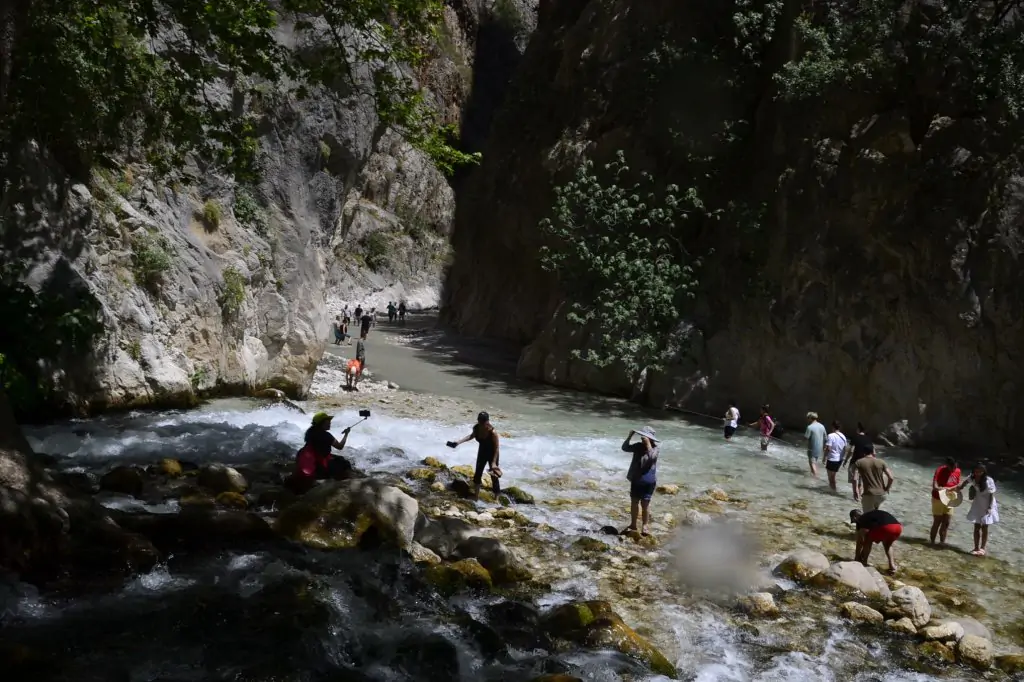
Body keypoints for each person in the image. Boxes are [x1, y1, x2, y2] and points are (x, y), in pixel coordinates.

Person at [291, 412, 352, 491]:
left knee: (337, 458)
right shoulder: (326, 435)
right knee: (345, 463)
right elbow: (340, 446)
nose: (330, 423)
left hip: (314, 460)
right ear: (321, 423)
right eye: (328, 421)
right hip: (321, 465)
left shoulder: (310, 432)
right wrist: (346, 434)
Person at [448, 412, 501, 496]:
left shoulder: (492, 432)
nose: (481, 423)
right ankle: (476, 496)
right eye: (480, 421)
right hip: (482, 452)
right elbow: (471, 436)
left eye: (483, 421)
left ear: (487, 421)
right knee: (477, 474)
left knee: (494, 476)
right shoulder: (476, 428)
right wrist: (458, 442)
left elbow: (496, 448)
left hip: (493, 454)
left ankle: (496, 498)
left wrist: (494, 462)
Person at [621, 426, 659, 536]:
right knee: (634, 502)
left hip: (648, 481)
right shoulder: (638, 446)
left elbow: (651, 458)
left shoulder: (655, 449)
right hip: (636, 479)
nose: (643, 438)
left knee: (645, 504)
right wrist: (630, 436)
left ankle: (645, 525)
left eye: (645, 437)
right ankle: (633, 524)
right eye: (642, 437)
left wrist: (648, 445)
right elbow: (625, 448)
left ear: (650, 438)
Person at [957, 464, 998, 556]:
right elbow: (965, 482)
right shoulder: (972, 477)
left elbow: (991, 495)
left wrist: (990, 507)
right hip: (978, 502)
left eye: (980, 471)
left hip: (988, 503)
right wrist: (959, 488)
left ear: (983, 472)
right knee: (976, 526)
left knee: (985, 526)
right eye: (976, 471)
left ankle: (982, 548)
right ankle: (976, 547)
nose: (978, 473)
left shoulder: (988, 480)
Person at [850, 508, 902, 573]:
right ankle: (892, 566)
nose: (855, 523)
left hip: (885, 528)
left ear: (855, 517)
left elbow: (860, 541)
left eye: (854, 521)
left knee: (868, 539)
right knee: (888, 545)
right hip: (897, 528)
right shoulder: (871, 516)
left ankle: (864, 562)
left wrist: (857, 557)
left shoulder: (861, 519)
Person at [929, 457, 962, 545]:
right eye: (952, 467)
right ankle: (932, 542)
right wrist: (950, 488)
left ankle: (942, 543)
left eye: (955, 467)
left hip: (950, 499)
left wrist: (958, 493)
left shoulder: (958, 471)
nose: (954, 469)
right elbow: (935, 487)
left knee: (946, 522)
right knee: (937, 521)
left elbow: (957, 485)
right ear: (947, 465)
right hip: (938, 498)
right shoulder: (940, 470)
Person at [854, 448, 894, 512]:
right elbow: (891, 478)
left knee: (867, 516)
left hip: (869, 494)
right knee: (876, 513)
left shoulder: (859, 462)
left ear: (863, 453)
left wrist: (855, 490)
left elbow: (855, 478)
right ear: (873, 453)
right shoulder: (881, 462)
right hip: (881, 495)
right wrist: (887, 488)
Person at [841, 423, 873, 501]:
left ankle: (856, 495)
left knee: (854, 479)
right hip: (866, 462)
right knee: (861, 479)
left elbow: (851, 451)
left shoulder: (855, 437)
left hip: (855, 461)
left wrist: (845, 460)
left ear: (858, 429)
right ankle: (860, 495)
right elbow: (872, 452)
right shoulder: (868, 439)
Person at [823, 420, 848, 492]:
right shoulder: (843, 436)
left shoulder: (830, 435)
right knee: (833, 476)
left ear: (833, 427)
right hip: (839, 459)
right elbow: (845, 448)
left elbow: (828, 448)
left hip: (832, 458)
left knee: (830, 477)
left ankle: (833, 491)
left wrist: (824, 458)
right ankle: (832, 489)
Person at [804, 412, 826, 478]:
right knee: (815, 462)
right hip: (820, 449)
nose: (807, 419)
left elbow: (806, 437)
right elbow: (825, 437)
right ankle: (813, 474)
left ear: (810, 418)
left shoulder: (810, 427)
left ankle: (815, 478)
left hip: (812, 449)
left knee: (812, 463)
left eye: (808, 418)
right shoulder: (822, 426)